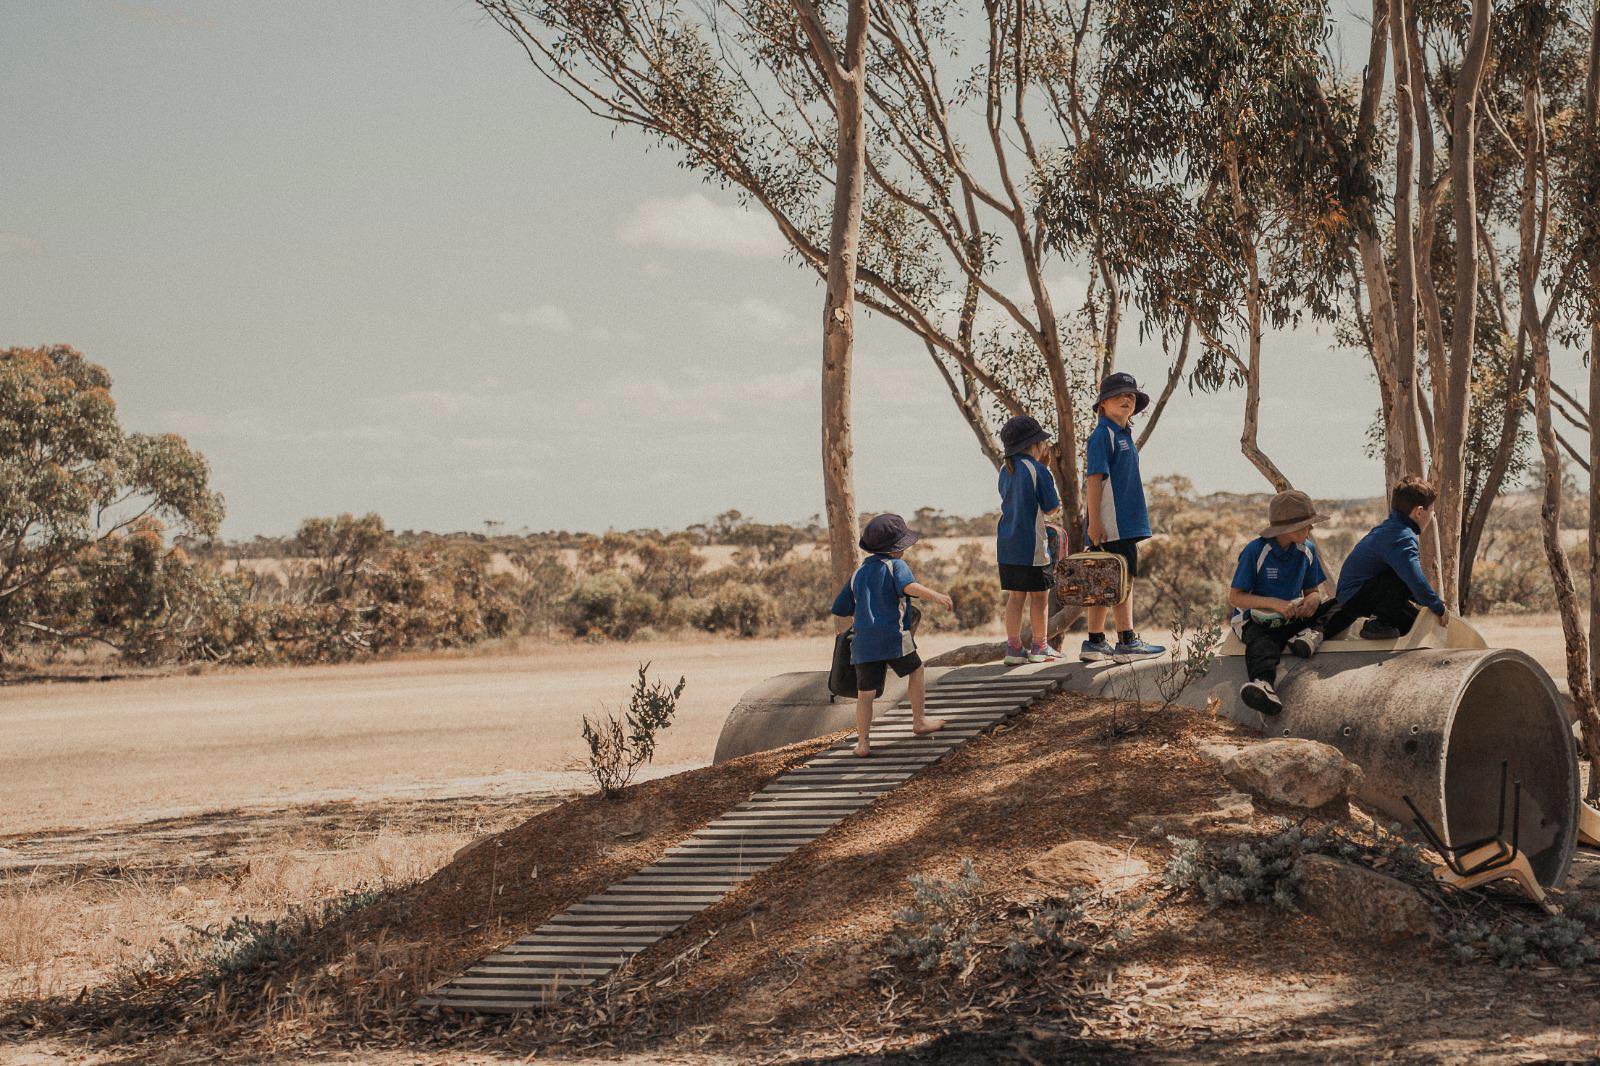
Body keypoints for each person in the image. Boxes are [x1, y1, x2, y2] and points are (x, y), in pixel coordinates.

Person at [830, 514, 952, 757]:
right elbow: (909, 587)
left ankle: (863, 743)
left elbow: (840, 607)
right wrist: (937, 596)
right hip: (893, 636)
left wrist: (865, 606)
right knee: (916, 670)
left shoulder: (858, 573)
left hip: (863, 643)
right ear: (897, 548)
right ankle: (919, 721)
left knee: (865, 694)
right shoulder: (896, 565)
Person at [1228, 490, 1337, 717]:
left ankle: (1311, 635)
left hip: (1291, 617)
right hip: (1255, 621)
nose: (1311, 529)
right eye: (1306, 525)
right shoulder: (1255, 551)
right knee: (1263, 643)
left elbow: (1312, 591)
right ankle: (1263, 685)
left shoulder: (1308, 549)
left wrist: (1313, 600)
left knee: (1339, 603)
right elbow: (1236, 597)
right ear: (1287, 528)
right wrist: (1274, 604)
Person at [1082, 373, 1164, 662]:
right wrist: (1094, 522)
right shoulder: (1102, 435)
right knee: (1121, 579)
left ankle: (1094, 642)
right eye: (1119, 395)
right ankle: (1127, 641)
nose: (1126, 400)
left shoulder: (1123, 434)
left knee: (1104, 579)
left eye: (1130, 396)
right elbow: (1094, 479)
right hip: (1112, 524)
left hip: (1124, 522)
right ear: (1103, 403)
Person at [1321, 476, 1451, 642]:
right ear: (1419, 512)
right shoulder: (1401, 536)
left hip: (1364, 594)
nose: (1432, 516)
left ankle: (1383, 623)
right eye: (1431, 511)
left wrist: (1430, 602)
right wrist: (1438, 607)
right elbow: (1415, 581)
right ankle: (1378, 624)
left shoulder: (1393, 528)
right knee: (1402, 576)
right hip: (1355, 597)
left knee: (1414, 625)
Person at [995, 414, 1066, 665]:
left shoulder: (1006, 469)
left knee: (1016, 597)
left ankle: (1013, 649)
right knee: (1040, 596)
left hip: (1006, 545)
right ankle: (1040, 646)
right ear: (1035, 444)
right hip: (1033, 546)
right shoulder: (1038, 470)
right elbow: (1051, 508)